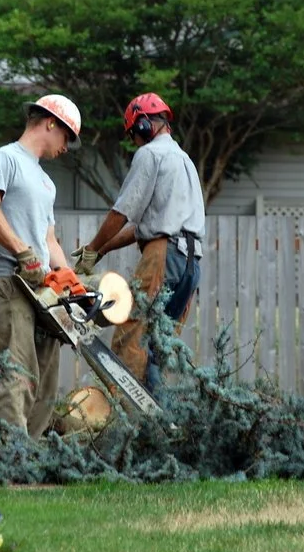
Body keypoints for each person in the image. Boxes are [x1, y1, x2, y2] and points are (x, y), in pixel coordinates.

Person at [72, 92, 205, 395]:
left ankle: (124, 414)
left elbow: (122, 213)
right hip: (190, 263)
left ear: (144, 125)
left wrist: (90, 249)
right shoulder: (185, 161)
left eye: (134, 134)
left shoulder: (150, 155)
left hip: (163, 255)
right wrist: (103, 249)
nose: (135, 142)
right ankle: (155, 417)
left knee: (131, 333)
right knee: (157, 344)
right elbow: (143, 227)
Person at [0, 93, 81, 439]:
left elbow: (48, 242)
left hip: (40, 289)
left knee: (47, 377)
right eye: (66, 136)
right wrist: (22, 251)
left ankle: (29, 456)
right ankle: (10, 455)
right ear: (50, 123)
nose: (66, 146)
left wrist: (70, 282)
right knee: (19, 370)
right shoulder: (5, 159)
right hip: (9, 280)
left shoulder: (46, 182)